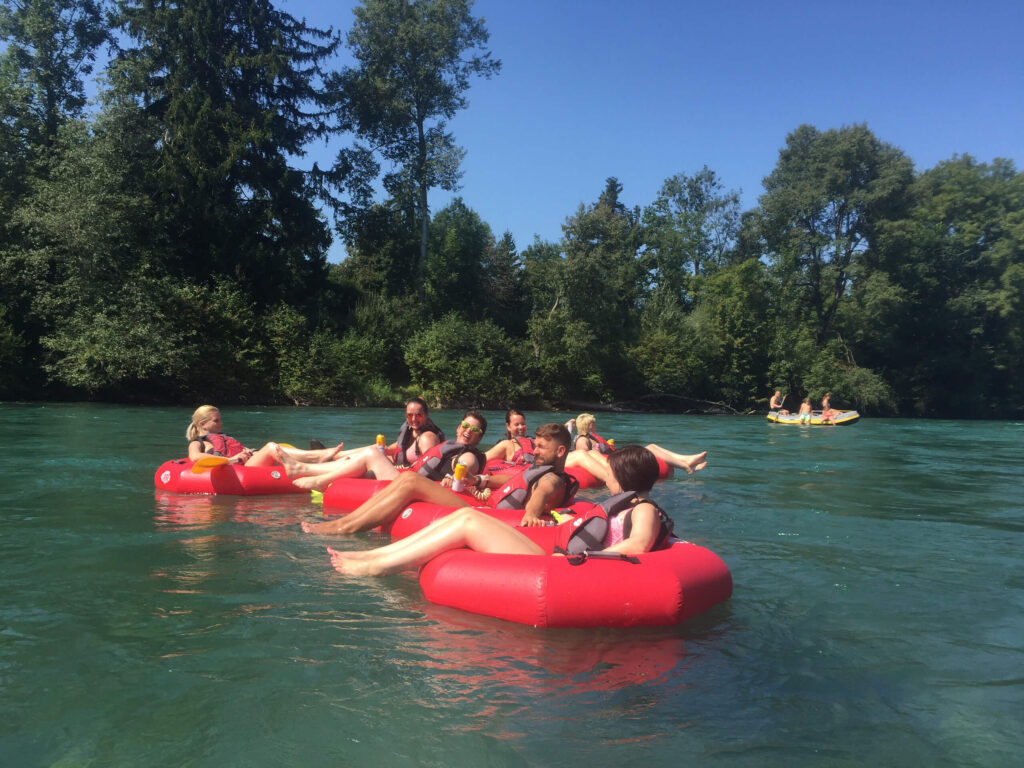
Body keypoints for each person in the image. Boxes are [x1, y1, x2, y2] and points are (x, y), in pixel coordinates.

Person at [325, 445, 675, 577]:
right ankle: (375, 557)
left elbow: (637, 546)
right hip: (559, 556)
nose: (605, 474)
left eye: (609, 470)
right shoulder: (628, 506)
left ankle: (376, 566)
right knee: (466, 517)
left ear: (622, 475)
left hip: (563, 567)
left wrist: (582, 560)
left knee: (468, 521)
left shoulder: (643, 509)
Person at [302, 422, 577, 534]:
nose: (535, 451)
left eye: (542, 447)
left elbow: (540, 492)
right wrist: (478, 480)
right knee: (403, 480)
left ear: (561, 451)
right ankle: (345, 523)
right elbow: (512, 481)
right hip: (482, 506)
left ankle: (343, 528)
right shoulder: (541, 468)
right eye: (536, 445)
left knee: (410, 481)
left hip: (485, 516)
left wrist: (531, 514)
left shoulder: (553, 479)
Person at [277, 411, 487, 492]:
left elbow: (464, 468)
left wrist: (460, 477)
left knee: (371, 454)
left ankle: (312, 475)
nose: (468, 432)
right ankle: (308, 468)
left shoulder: (468, 455)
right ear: (458, 427)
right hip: (406, 478)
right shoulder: (450, 444)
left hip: (413, 487)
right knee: (358, 461)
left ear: (480, 437)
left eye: (475, 430)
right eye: (465, 426)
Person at [186, 405, 343, 466]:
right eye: (216, 421)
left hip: (248, 461)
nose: (221, 423)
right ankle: (317, 457)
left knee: (278, 446)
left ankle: (328, 457)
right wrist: (230, 460)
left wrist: (248, 451)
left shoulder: (226, 437)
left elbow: (241, 449)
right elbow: (194, 458)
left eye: (220, 419)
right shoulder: (199, 442)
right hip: (238, 468)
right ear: (202, 424)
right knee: (270, 447)